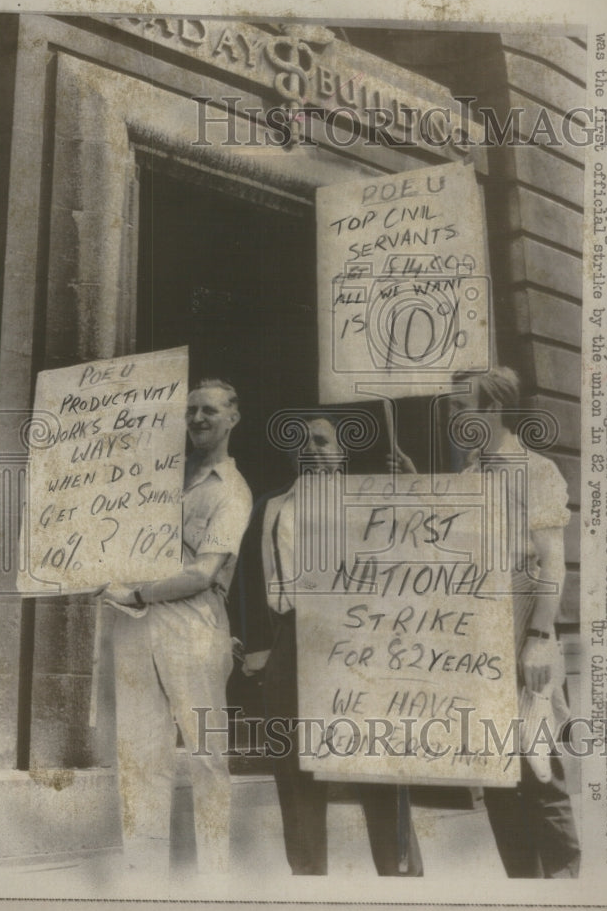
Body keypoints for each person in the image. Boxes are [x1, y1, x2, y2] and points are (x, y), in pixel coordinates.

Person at [390, 367, 581, 878]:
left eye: (460, 407)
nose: (453, 418)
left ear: (492, 409)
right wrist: (414, 486)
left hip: (525, 634)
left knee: (539, 769)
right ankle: (523, 890)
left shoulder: (535, 471)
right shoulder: (471, 476)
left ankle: (566, 895)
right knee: (496, 772)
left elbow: (552, 563)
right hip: (478, 644)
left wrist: (540, 639)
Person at [231, 414, 423, 876]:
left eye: (321, 441)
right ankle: (309, 881)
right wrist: (261, 652)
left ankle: (402, 882)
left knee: (375, 765)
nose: (311, 448)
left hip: (359, 641)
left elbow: (420, 554)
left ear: (341, 452)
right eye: (301, 441)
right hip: (292, 639)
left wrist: (414, 489)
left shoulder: (370, 501)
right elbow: (252, 581)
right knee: (294, 771)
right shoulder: (272, 506)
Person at [103, 378, 252, 874]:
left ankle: (215, 874)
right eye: (190, 411)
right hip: (136, 625)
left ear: (233, 417)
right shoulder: (163, 476)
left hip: (194, 627)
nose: (197, 420)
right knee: (140, 751)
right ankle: (142, 870)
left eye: (209, 410)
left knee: (207, 753)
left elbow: (201, 572)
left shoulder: (233, 490)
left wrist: (139, 592)